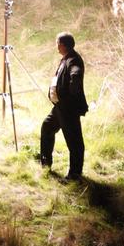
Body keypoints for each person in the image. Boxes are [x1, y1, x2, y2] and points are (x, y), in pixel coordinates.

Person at [40, 32, 88, 181]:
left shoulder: (74, 60)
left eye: (57, 43)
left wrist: (72, 89)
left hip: (68, 109)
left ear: (62, 45)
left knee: (74, 142)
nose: (56, 46)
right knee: (47, 127)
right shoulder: (66, 58)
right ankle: (45, 163)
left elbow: (76, 73)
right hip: (59, 108)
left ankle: (74, 175)